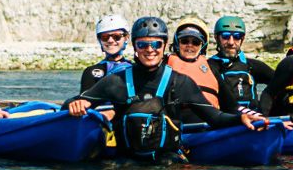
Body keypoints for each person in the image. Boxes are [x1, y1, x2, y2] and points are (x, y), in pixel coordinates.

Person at [66, 16, 264, 162]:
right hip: (127, 166)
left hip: (168, 165)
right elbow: (72, 103)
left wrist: (240, 118)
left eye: (156, 44)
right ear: (134, 46)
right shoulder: (116, 82)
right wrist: (76, 104)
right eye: (143, 45)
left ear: (164, 45)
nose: (150, 50)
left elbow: (215, 117)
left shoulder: (181, 82)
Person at [207, 15, 275, 110]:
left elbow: (279, 82)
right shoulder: (209, 66)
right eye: (225, 36)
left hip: (254, 117)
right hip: (224, 117)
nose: (231, 42)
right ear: (217, 38)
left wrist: (265, 105)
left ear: (242, 39)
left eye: (237, 37)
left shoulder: (251, 66)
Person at [79, 14, 132, 92]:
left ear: (126, 38)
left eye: (116, 36)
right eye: (105, 37)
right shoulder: (91, 72)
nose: (110, 40)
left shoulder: (135, 69)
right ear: (100, 40)